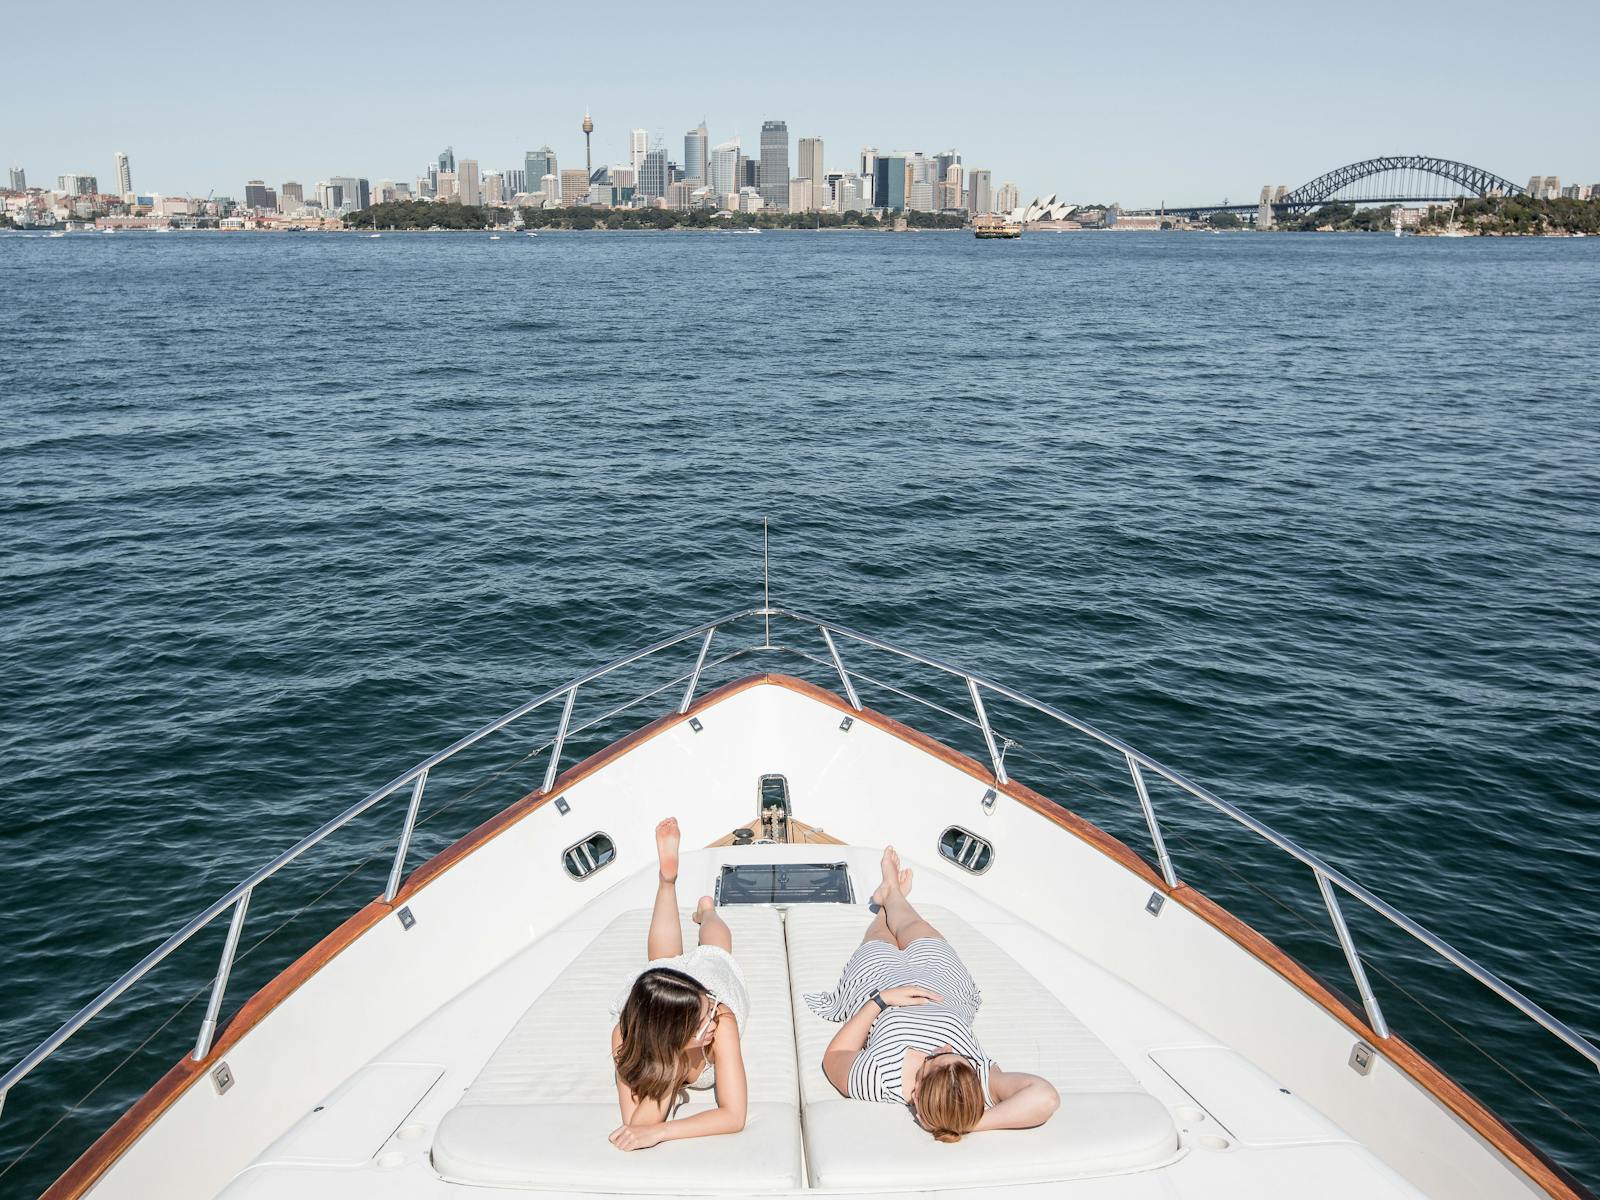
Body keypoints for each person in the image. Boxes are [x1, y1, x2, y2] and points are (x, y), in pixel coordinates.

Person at [807, 847, 1060, 1142]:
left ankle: (887, 900)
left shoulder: (880, 1077)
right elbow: (1046, 1098)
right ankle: (892, 894)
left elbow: (835, 1057)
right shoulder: (975, 1081)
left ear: (915, 1094)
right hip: (943, 984)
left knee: (880, 937)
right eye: (956, 1055)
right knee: (918, 928)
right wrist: (964, 1121)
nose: (947, 1046)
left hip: (880, 985)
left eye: (934, 1058)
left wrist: (881, 1000)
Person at [608, 817, 749, 1151]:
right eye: (703, 1019)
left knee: (713, 954)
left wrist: (663, 1132)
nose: (713, 1017)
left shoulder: (721, 1017)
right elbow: (635, 1125)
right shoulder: (625, 1037)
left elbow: (734, 1116)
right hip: (665, 1014)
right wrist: (673, 1060)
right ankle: (672, 885)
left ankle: (704, 909)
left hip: (704, 985)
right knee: (664, 965)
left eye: (709, 1009)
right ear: (670, 1033)